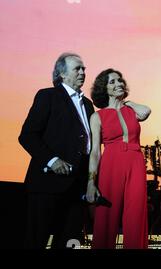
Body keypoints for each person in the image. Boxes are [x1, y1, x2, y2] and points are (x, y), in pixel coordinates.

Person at [18, 53, 94, 249]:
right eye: (77, 68)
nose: (82, 72)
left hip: (77, 188)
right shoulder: (48, 96)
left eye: (83, 69)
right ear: (62, 73)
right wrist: (52, 160)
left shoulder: (87, 105)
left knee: (70, 242)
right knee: (36, 240)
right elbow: (27, 135)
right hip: (47, 184)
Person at [86, 68, 151, 249]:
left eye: (120, 80)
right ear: (103, 88)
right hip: (111, 163)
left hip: (135, 161)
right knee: (106, 216)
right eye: (112, 82)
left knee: (136, 215)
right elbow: (95, 152)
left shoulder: (132, 110)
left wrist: (126, 102)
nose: (118, 84)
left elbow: (146, 111)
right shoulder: (97, 116)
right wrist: (91, 183)